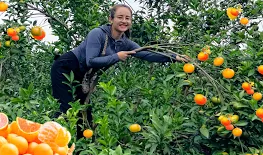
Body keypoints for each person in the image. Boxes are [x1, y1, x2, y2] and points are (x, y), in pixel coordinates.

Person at [50, 4, 179, 138]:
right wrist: (117, 56)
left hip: (81, 75)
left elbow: (146, 54)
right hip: (65, 68)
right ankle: (48, 143)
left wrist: (174, 57)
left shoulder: (125, 42)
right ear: (111, 19)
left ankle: (81, 152)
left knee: (84, 113)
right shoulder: (98, 33)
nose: (124, 21)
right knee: (66, 109)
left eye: (127, 18)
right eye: (120, 17)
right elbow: (91, 60)